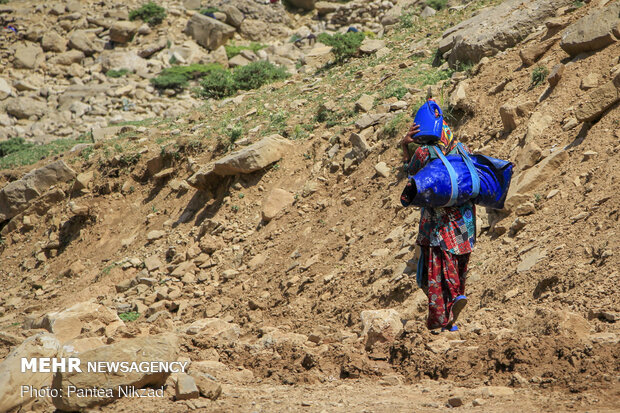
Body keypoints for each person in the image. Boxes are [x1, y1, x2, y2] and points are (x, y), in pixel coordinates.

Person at [400, 104, 475, 332]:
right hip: (465, 224)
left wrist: (405, 145)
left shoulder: (424, 153)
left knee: (435, 273)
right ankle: (454, 309)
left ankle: (441, 320)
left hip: (437, 226)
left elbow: (411, 173)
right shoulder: (463, 149)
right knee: (456, 267)